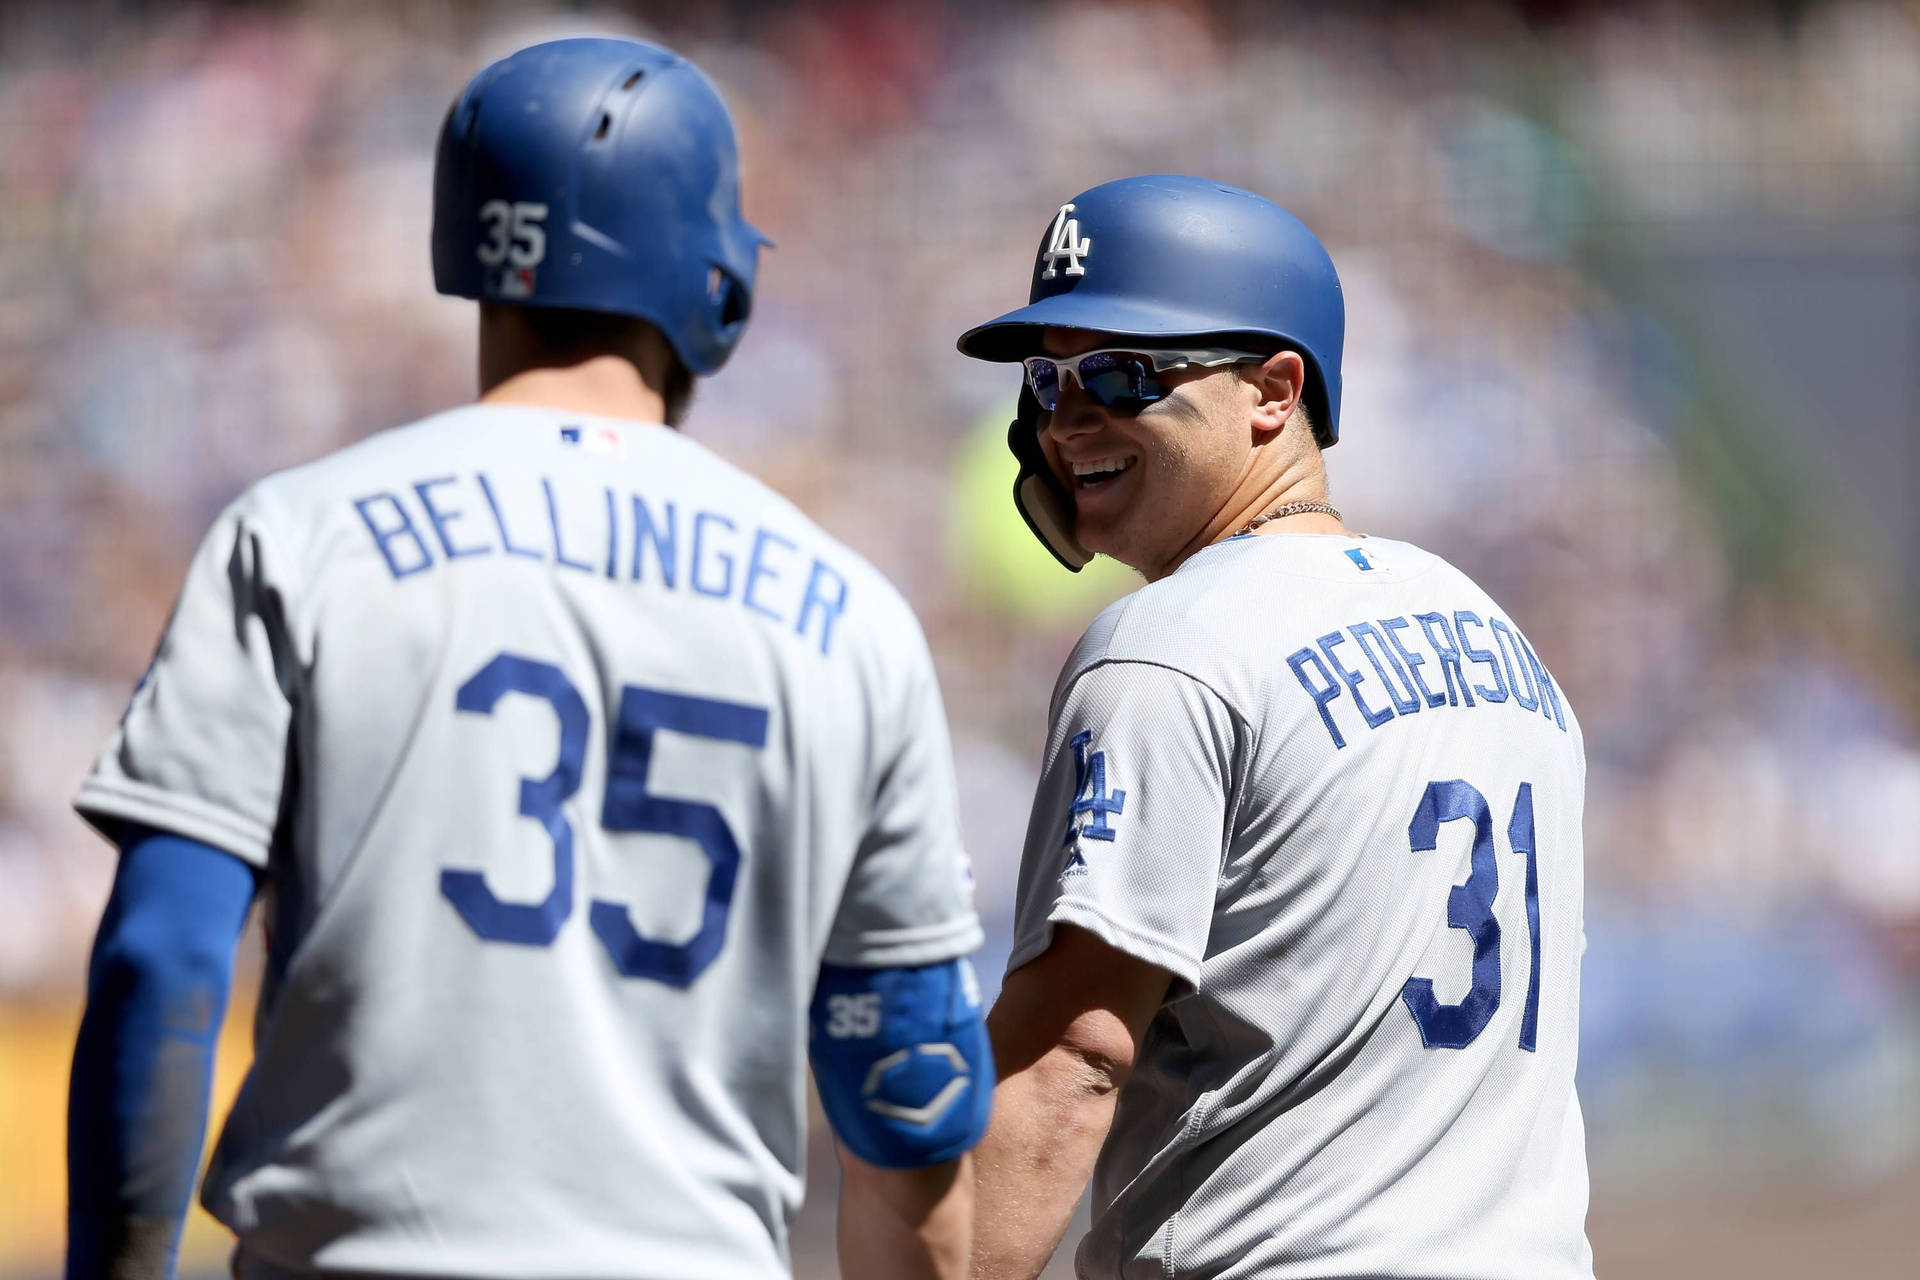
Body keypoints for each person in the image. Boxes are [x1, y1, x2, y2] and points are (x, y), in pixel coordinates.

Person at [65, 37, 990, 1280]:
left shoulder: (304, 532)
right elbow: (909, 1081)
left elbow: (162, 951)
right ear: (715, 282)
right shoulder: (851, 611)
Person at [955, 175, 1593, 1279]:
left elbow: (1071, 1059)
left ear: (1272, 389)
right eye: (1047, 379)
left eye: (1121, 373)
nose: (1065, 419)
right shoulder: (1498, 637)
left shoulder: (1165, 645)